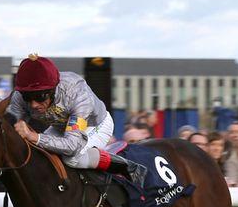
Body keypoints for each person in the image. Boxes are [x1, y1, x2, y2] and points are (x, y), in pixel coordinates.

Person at [8, 54, 146, 187]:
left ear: (52, 90)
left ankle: (129, 167)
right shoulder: (18, 96)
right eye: (27, 97)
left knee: (72, 159)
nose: (33, 105)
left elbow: (72, 146)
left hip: (94, 125)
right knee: (38, 154)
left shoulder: (76, 94)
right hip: (61, 126)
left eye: (40, 96)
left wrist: (34, 136)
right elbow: (13, 125)